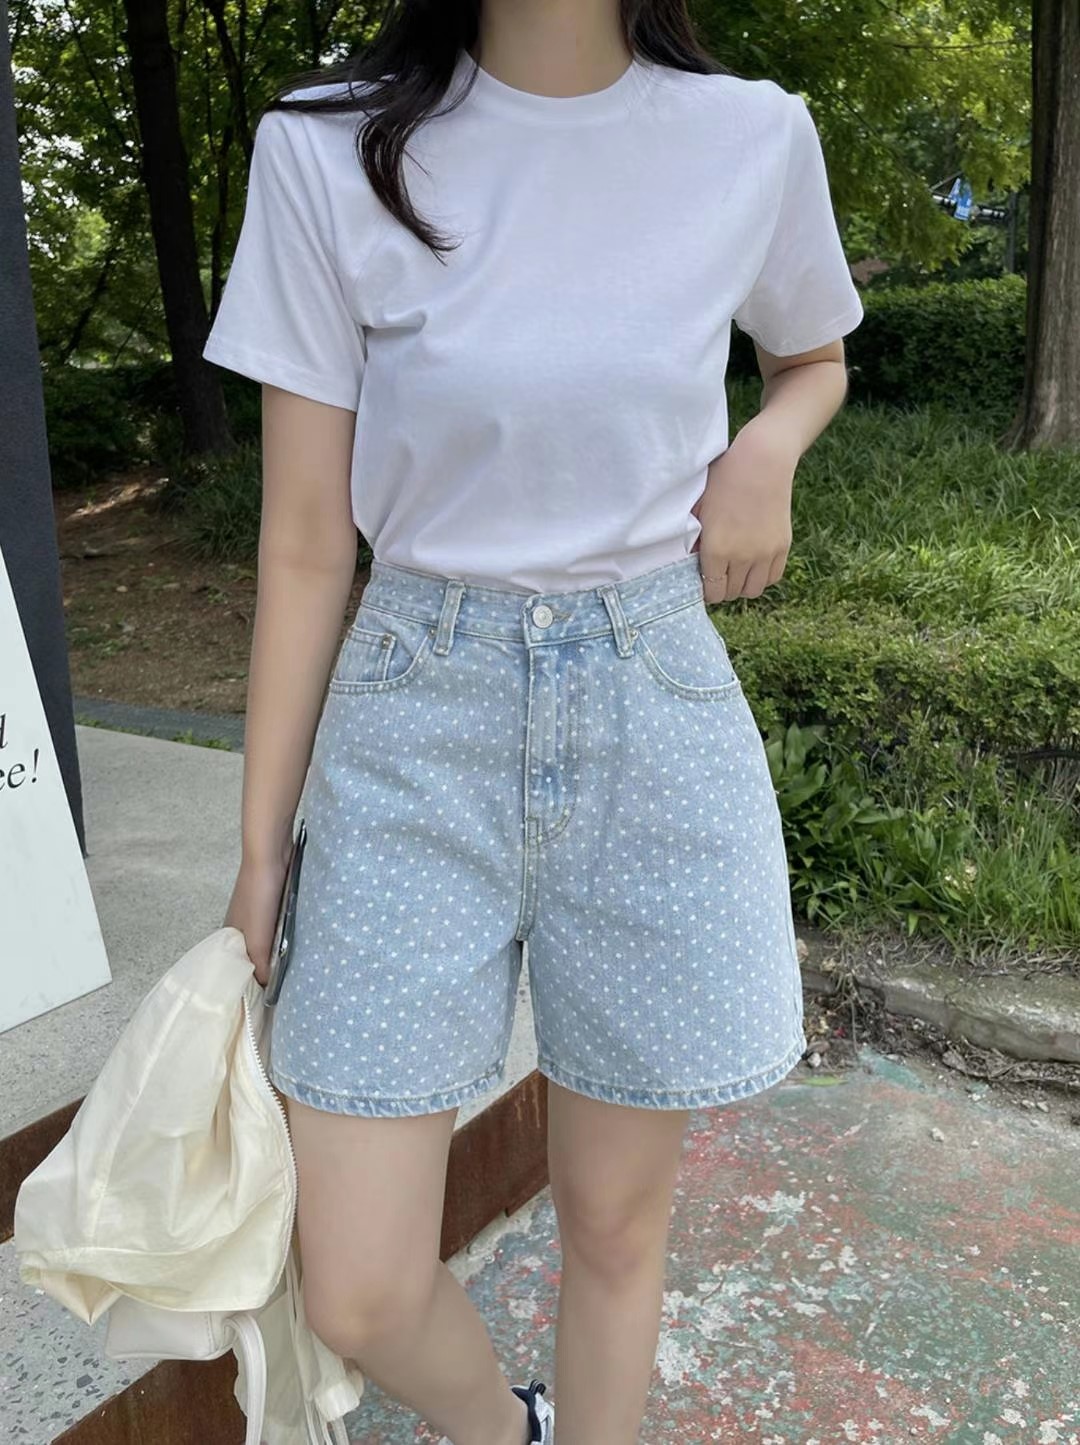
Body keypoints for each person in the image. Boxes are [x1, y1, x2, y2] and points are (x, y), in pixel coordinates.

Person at [202, 1, 864, 1441]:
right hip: (411, 721)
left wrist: (769, 446)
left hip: (651, 700)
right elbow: (305, 541)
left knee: (616, 1228)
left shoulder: (751, 137)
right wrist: (260, 850)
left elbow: (813, 355)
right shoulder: (327, 149)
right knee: (358, 1282)